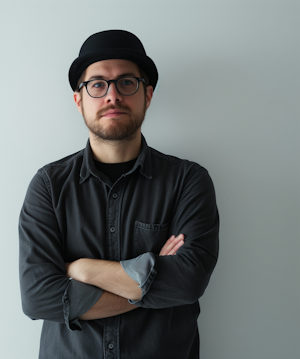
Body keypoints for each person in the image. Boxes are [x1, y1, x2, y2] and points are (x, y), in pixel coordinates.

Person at [18, 30, 219, 359]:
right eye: (97, 84)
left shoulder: (188, 181)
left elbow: (187, 281)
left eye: (127, 82)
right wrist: (151, 277)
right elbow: (38, 297)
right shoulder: (48, 186)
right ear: (79, 99)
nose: (113, 96)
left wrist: (82, 270)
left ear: (148, 95)